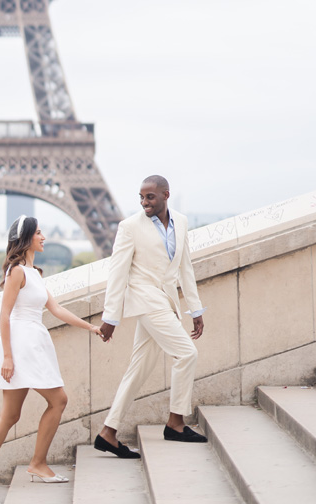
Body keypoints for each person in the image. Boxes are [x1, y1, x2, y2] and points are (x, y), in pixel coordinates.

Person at [0, 215, 104, 504]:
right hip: (20, 345)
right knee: (55, 401)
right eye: (39, 233)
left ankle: (12, 468)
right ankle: (7, 469)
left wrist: (91, 326)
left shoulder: (34, 273)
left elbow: (56, 309)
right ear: (27, 238)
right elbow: (4, 315)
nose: (44, 237)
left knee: (12, 415)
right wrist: (7, 357)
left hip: (32, 344)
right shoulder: (17, 272)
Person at [94, 175, 208, 458]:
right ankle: (176, 423)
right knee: (186, 354)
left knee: (139, 369)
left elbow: (186, 268)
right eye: (141, 197)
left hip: (165, 299)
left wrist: (195, 309)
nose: (144, 202)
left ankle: (108, 432)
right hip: (146, 300)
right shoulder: (130, 226)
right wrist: (111, 316)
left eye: (150, 197)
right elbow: (117, 272)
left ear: (165, 195)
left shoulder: (180, 222)